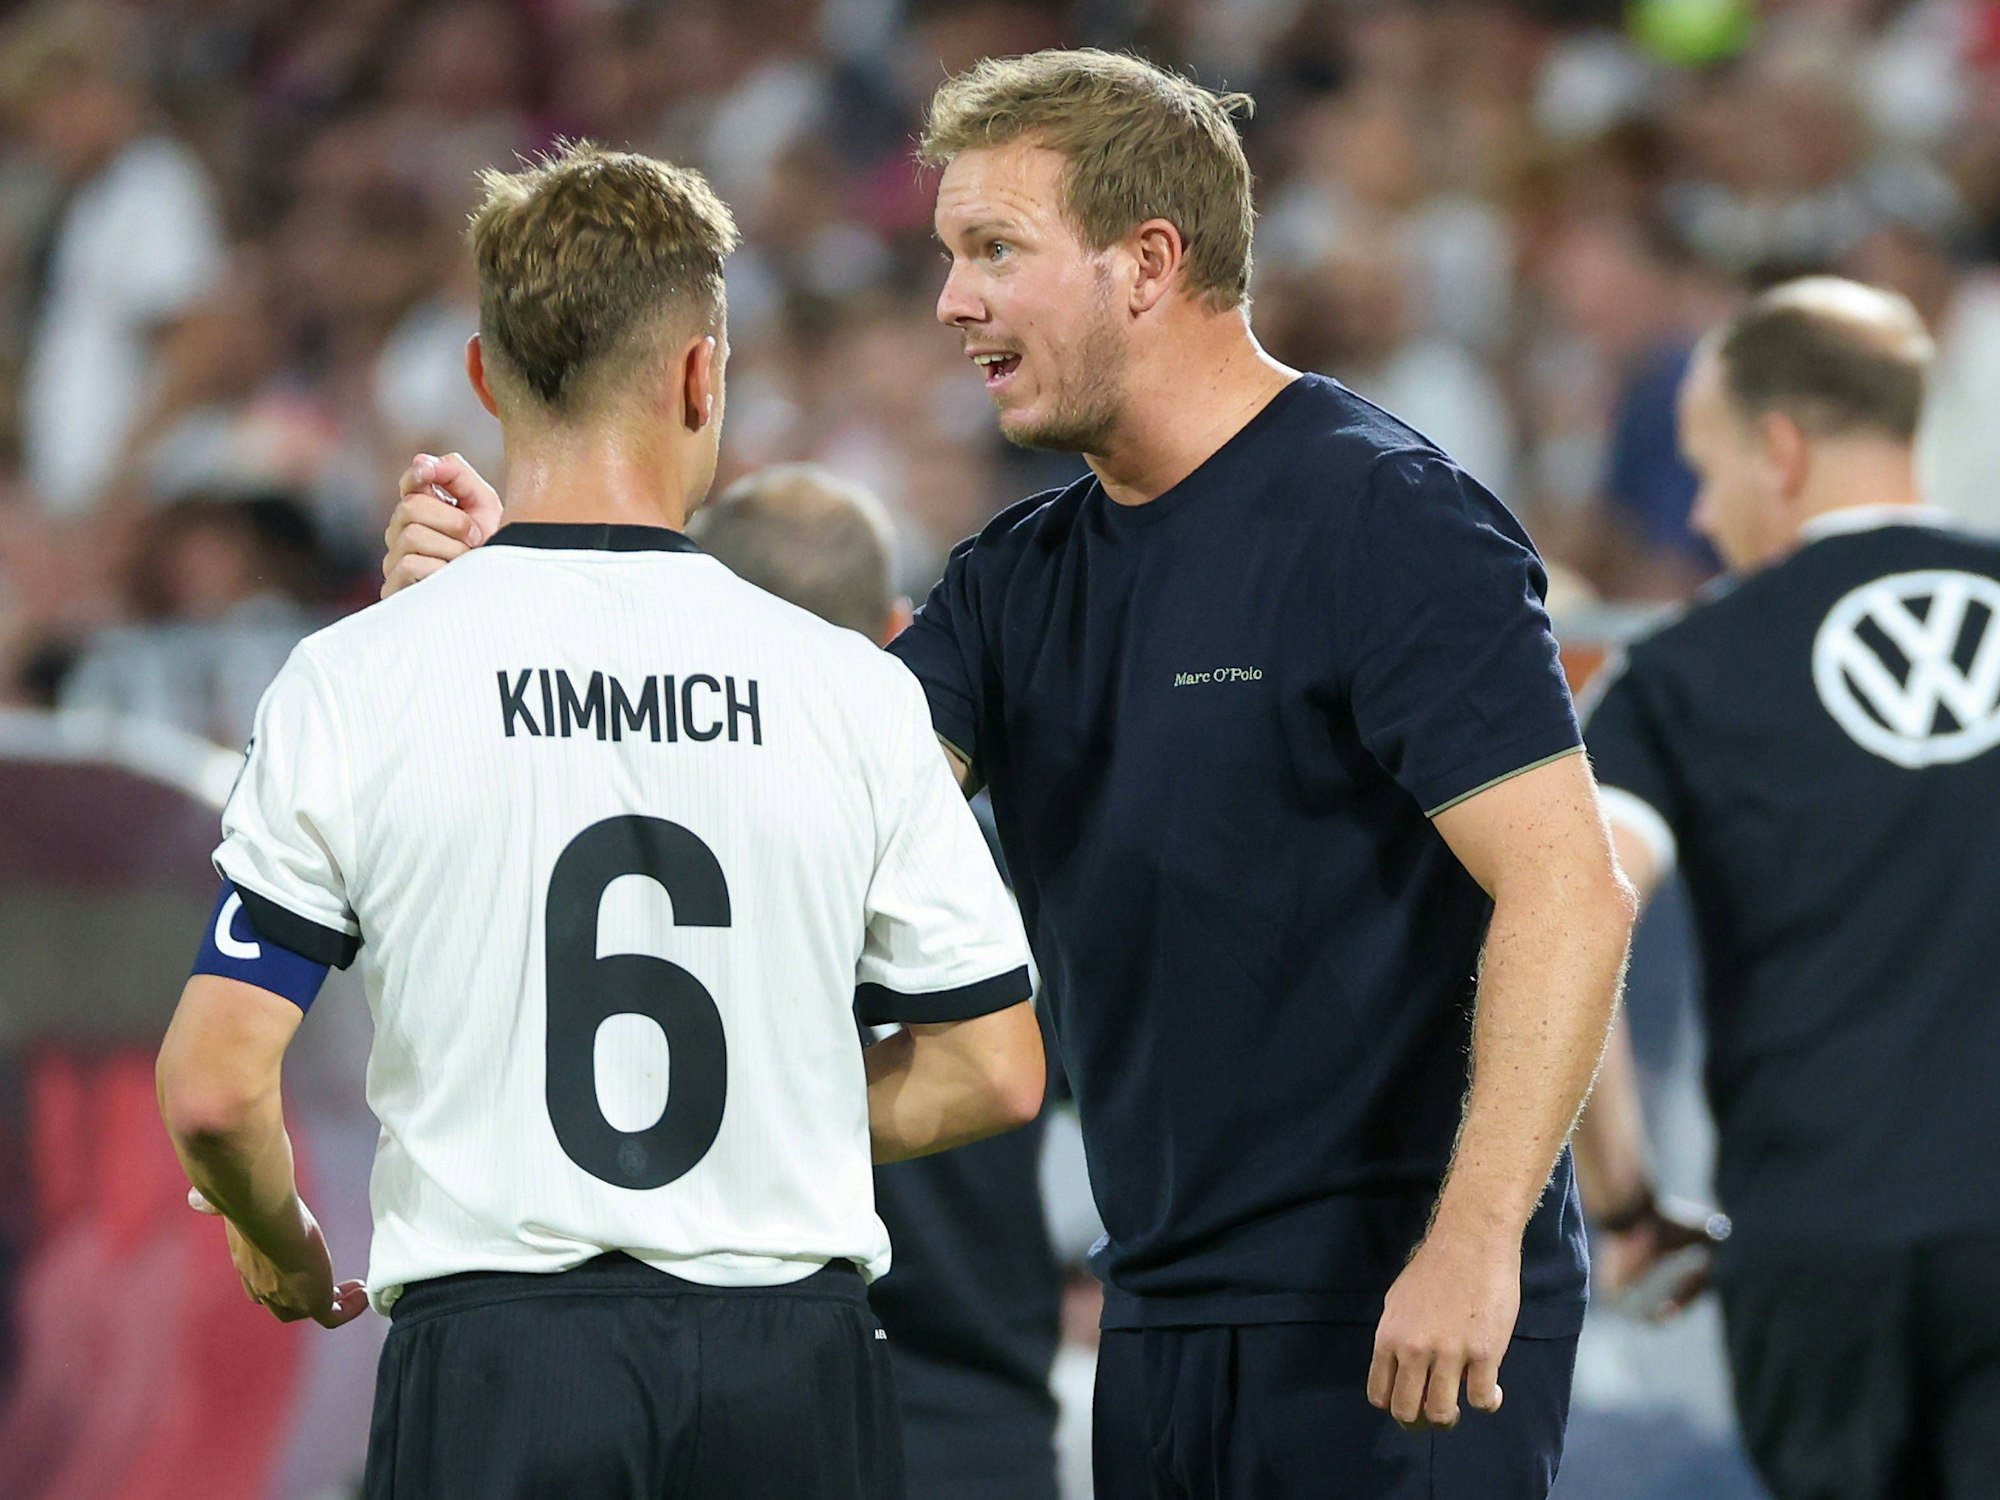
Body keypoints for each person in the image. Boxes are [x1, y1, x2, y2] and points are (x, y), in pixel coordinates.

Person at [382, 51, 1637, 1500]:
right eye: (946, 254)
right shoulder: (1016, 580)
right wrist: (512, 599)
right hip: (1156, 1321)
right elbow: (750, 789)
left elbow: (1568, 887)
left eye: (994, 250)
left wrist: (1477, 1241)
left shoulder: (1386, 518)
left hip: (1393, 1317)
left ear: (1147, 263)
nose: (951, 301)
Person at [155, 142, 1047, 1500]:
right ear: (703, 374)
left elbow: (215, 1088)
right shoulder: (851, 693)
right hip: (788, 1365)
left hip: (498, 1357)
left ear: (480, 376)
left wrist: (281, 1246)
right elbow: (992, 1068)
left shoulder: (362, 678)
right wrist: (769, 1117)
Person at [1574, 277, 2000, 1500]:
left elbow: (1573, 910)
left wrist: (1629, 1202)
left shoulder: (1683, 670)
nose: (1701, 512)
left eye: (1704, 471)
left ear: (1780, 445)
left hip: (1816, 1250)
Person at [688, 463, 1067, 1500]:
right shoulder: (1004, 855)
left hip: (729, 1377)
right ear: (900, 632)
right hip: (973, 1406)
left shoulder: (643, 834)